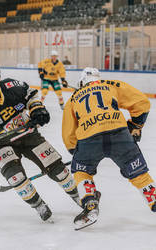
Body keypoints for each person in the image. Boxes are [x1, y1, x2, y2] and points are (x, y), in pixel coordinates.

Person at [0, 63, 80, 222]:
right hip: (1, 144)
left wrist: (37, 109)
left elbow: (31, 96)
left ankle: (78, 196)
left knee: (58, 169)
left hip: (27, 134)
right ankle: (38, 205)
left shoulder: (11, 86)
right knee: (15, 177)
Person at [62, 67, 155, 230]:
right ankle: (154, 201)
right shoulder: (111, 84)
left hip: (88, 137)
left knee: (82, 172)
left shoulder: (73, 98)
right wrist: (135, 125)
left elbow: (68, 133)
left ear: (82, 82)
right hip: (119, 133)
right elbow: (142, 102)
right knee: (139, 174)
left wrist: (75, 151)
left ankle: (90, 205)